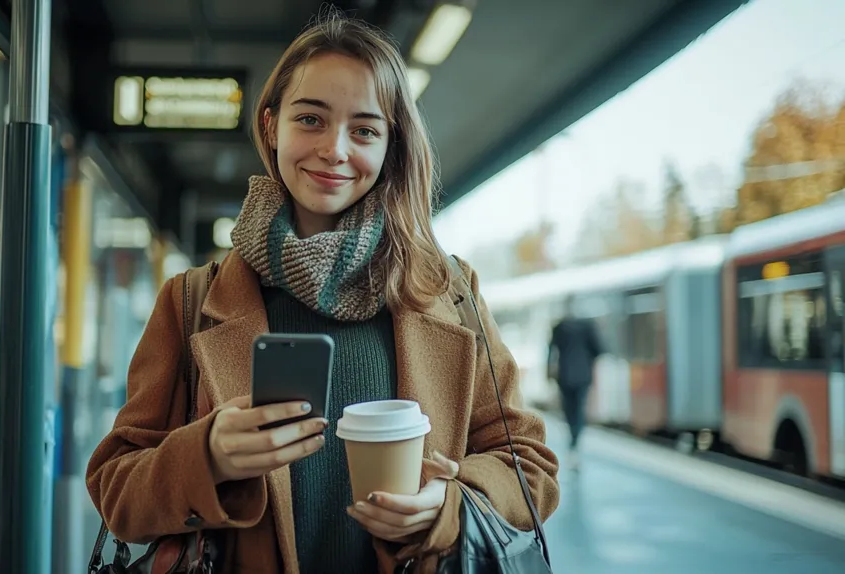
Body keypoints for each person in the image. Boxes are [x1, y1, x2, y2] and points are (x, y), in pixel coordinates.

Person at [86, 12, 560, 574]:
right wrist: (207, 455)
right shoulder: (190, 301)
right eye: (310, 119)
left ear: (391, 145)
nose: (335, 149)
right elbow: (115, 489)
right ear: (270, 127)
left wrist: (447, 507)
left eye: (363, 130)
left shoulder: (450, 292)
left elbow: (529, 467)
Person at [547, 295, 604, 470]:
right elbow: (599, 349)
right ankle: (574, 445)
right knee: (579, 410)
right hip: (583, 375)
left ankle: (572, 442)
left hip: (564, 375)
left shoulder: (559, 326)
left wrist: (548, 374)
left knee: (569, 411)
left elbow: (550, 351)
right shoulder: (588, 326)